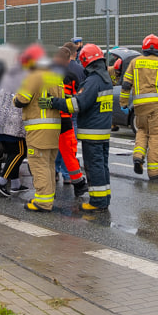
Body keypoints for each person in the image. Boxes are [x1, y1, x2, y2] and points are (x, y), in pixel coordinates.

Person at [43, 43, 113, 210]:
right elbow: (85, 99)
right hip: (102, 131)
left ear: (86, 60)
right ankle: (104, 199)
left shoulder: (93, 80)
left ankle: (98, 202)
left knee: (94, 166)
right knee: (102, 166)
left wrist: (54, 102)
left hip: (92, 132)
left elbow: (78, 104)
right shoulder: (104, 79)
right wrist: (69, 96)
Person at [14, 44, 65, 212]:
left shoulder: (34, 76)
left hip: (38, 130)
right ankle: (47, 198)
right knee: (49, 165)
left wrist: (15, 96)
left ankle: (43, 202)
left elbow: (21, 99)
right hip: (53, 130)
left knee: (39, 165)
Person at [119, 34, 158, 180]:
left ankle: (138, 156)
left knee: (142, 132)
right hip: (156, 108)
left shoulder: (135, 62)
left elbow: (126, 85)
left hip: (139, 108)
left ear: (144, 47)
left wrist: (123, 104)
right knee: (156, 137)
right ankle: (154, 172)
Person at [0, 63, 30, 196]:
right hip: (13, 124)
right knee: (20, 152)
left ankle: (15, 184)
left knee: (11, 153)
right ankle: (2, 181)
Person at [52, 45, 87, 198]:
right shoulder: (73, 74)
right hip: (66, 119)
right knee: (69, 152)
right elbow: (75, 98)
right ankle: (76, 182)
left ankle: (53, 176)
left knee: (48, 153)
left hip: (49, 119)